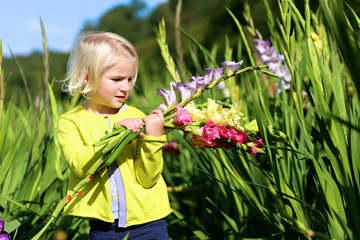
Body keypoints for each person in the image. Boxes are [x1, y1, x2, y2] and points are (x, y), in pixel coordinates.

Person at [57, 31, 172, 240]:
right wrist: (116, 134)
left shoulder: (136, 116)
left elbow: (148, 178)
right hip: (104, 227)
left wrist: (153, 139)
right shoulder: (71, 121)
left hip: (150, 222)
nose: (126, 87)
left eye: (130, 79)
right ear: (86, 77)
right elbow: (80, 166)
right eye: (116, 79)